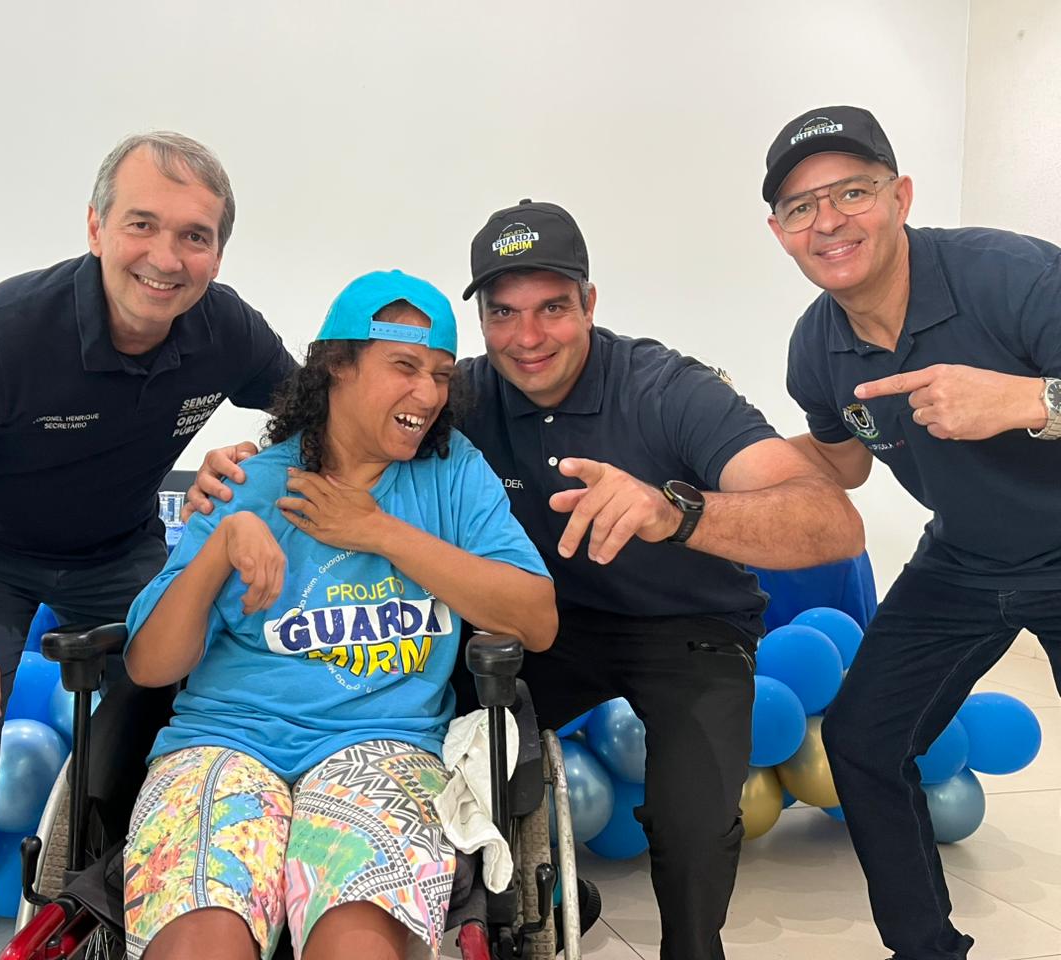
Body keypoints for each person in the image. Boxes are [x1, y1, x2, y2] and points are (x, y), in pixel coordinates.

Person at [189, 201, 865, 960]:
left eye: (553, 308)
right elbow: (340, 416)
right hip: (540, 627)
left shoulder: (669, 389)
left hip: (686, 626)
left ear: (590, 303)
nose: (528, 337)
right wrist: (238, 470)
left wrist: (672, 512)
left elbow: (831, 522)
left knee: (692, 820)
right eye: (503, 313)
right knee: (440, 731)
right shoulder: (453, 397)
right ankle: (494, 903)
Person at [0, 131, 296, 960]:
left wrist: (250, 462)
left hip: (116, 545)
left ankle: (134, 920)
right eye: (142, 224)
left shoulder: (224, 330)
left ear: (217, 253)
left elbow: (308, 412)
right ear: (97, 226)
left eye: (194, 236)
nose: (166, 258)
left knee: (189, 707)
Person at [120, 269, 555, 960]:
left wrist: (379, 532)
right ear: (336, 367)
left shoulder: (451, 474)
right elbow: (150, 666)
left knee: (356, 943)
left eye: (441, 375)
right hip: (226, 743)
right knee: (203, 941)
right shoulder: (249, 484)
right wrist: (222, 548)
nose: (428, 395)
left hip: (383, 747)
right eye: (404, 367)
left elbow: (536, 618)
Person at [763, 104, 1061, 960]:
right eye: (801, 207)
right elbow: (844, 464)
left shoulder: (1011, 277)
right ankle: (926, 949)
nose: (828, 221)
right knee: (861, 741)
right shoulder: (816, 347)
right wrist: (717, 457)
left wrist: (1029, 400)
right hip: (963, 560)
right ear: (780, 233)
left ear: (900, 196)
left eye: (851, 192)